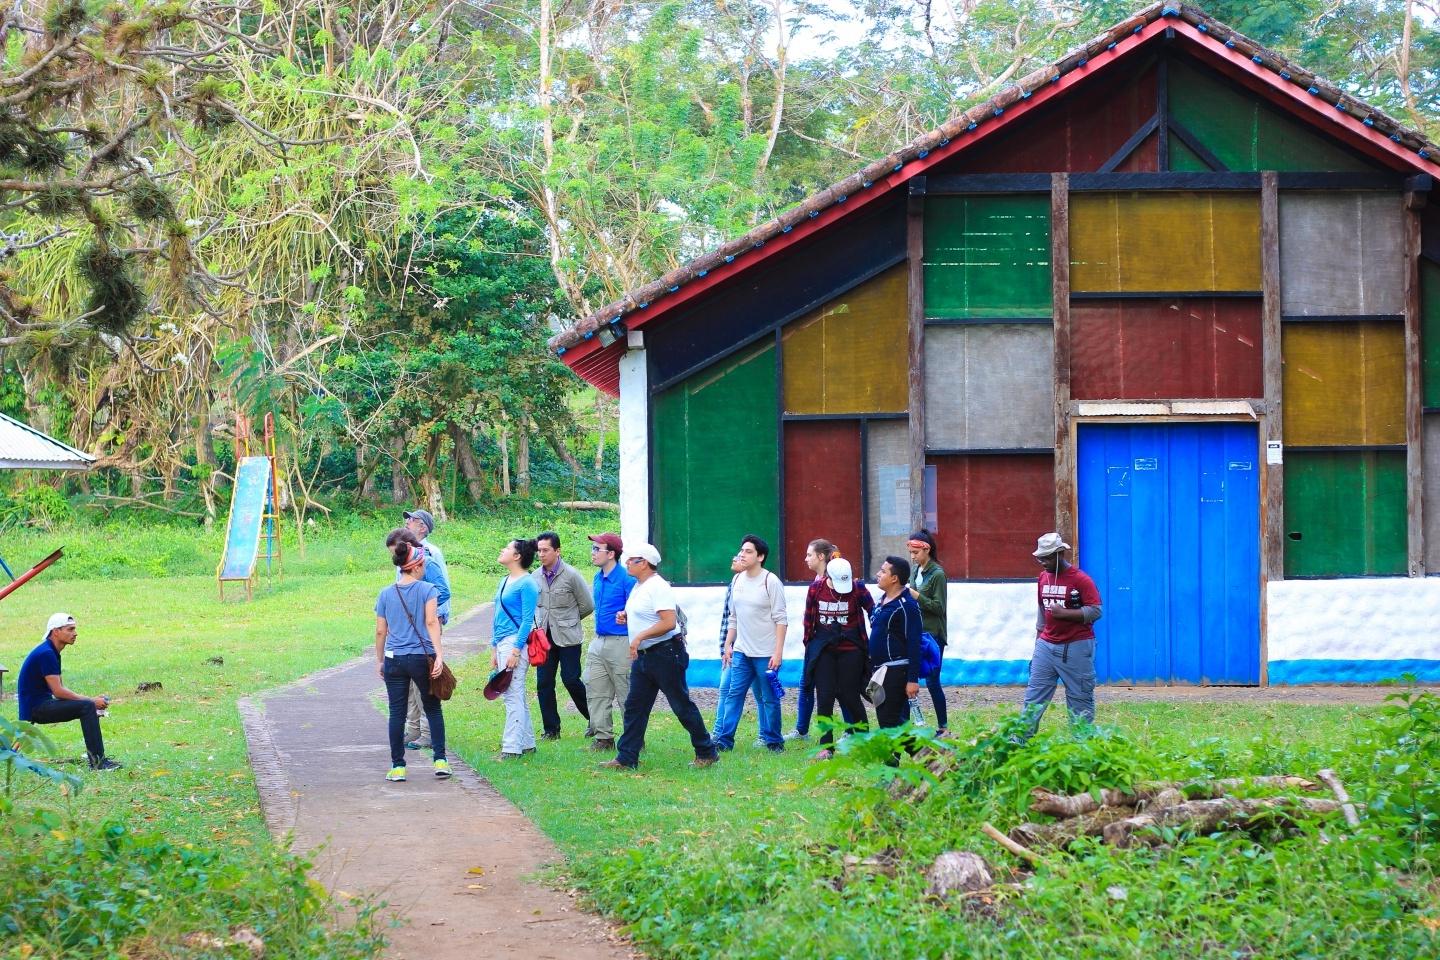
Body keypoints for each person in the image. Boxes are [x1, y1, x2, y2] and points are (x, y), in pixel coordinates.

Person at [599, 543, 718, 770]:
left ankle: (707, 751)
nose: (626, 564)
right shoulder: (639, 587)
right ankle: (626, 758)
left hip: (665, 653)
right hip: (645, 656)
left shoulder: (658, 586)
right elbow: (646, 614)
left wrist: (638, 636)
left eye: (631, 560)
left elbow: (668, 622)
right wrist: (627, 616)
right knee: (635, 707)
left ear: (644, 563)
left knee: (681, 705)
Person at [375, 537, 449, 782]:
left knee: (397, 713)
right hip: (421, 656)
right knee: (432, 707)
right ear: (416, 566)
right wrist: (439, 654)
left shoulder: (385, 593)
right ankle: (440, 761)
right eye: (423, 565)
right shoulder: (427, 590)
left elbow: (380, 631)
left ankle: (398, 766)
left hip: (394, 658)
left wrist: (379, 660)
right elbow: (431, 622)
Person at [1022, 532, 1103, 737]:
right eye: (1040, 557)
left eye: (1047, 557)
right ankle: (1018, 743)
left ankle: (1081, 748)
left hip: (1076, 647)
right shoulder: (1043, 578)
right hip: (1046, 645)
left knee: (1080, 700)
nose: (1042, 562)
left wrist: (1065, 613)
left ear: (1060, 554)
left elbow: (1096, 611)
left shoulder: (1081, 580)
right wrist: (1036, 648)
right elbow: (1042, 613)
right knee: (1033, 699)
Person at [17, 613, 121, 771]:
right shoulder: (47, 653)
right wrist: (91, 701)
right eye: (70, 629)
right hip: (36, 709)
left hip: (41, 704)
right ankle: (98, 763)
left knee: (86, 706)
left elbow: (60, 689)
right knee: (86, 707)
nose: (75, 633)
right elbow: (59, 692)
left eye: (75, 629)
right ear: (56, 631)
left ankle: (95, 756)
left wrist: (89, 701)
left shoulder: (51, 651)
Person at [713, 535, 788, 752]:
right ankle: (724, 741)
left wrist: (778, 652)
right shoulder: (737, 580)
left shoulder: (770, 581)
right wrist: (728, 645)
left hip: (766, 653)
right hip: (741, 652)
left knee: (769, 698)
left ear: (760, 556)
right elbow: (733, 617)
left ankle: (774, 741)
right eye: (742, 550)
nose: (742, 555)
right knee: (734, 694)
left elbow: (781, 620)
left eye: (748, 551)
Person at [391, 515, 451, 752]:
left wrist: (430, 612)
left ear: (423, 527)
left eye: (412, 520)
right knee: (407, 684)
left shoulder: (429, 556)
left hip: (426, 627)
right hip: (406, 629)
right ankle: (413, 729)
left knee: (424, 681)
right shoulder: (404, 555)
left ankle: (427, 732)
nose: (407, 522)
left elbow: (443, 591)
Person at [804, 558, 873, 759]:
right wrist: (810, 647)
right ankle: (825, 747)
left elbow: (873, 612)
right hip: (824, 650)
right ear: (827, 577)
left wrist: (877, 638)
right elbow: (808, 620)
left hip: (851, 649)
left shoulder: (858, 589)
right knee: (824, 697)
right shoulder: (815, 589)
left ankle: (864, 740)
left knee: (850, 695)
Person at [533, 531, 595, 741]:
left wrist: (569, 620)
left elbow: (587, 605)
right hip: (544, 638)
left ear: (557, 551)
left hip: (568, 637)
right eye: (539, 550)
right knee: (544, 683)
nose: (541, 554)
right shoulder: (535, 576)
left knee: (570, 679)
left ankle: (595, 720)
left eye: (545, 550)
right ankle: (551, 729)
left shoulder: (572, 575)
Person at [586, 532, 635, 752]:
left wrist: (627, 614)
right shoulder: (598, 577)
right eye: (593, 549)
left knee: (626, 693)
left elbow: (639, 612)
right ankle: (603, 738)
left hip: (621, 642)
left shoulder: (627, 579)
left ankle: (633, 739)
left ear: (612, 554)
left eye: (598, 549)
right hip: (599, 640)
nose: (593, 553)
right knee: (595, 689)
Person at [493, 538, 541, 760]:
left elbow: (526, 620)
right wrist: (495, 647)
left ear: (517, 556)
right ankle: (528, 743)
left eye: (507, 547)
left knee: (511, 694)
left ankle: (511, 748)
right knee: (516, 693)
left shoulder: (527, 583)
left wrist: (515, 650)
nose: (502, 549)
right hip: (503, 642)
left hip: (516, 643)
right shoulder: (504, 581)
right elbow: (497, 616)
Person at [786, 539, 837, 742]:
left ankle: (851, 732)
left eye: (809, 555)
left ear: (821, 556)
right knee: (805, 684)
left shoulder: (833, 580)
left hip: (829, 644)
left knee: (840, 690)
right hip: (814, 643)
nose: (805, 558)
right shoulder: (817, 579)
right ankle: (801, 729)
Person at [868, 556, 923, 731]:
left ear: (894, 578)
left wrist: (912, 680)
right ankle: (894, 759)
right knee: (886, 721)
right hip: (879, 670)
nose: (878, 574)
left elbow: (915, 643)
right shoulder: (882, 600)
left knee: (890, 722)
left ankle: (930, 757)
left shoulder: (907, 606)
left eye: (883, 571)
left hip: (896, 670)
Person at [907, 530, 948, 735]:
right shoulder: (916, 571)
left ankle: (943, 727)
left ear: (926, 549)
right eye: (911, 553)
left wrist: (915, 596)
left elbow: (939, 607)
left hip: (933, 635)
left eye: (915, 552)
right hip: (917, 633)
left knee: (933, 681)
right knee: (909, 679)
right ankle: (914, 722)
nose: (913, 557)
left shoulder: (938, 574)